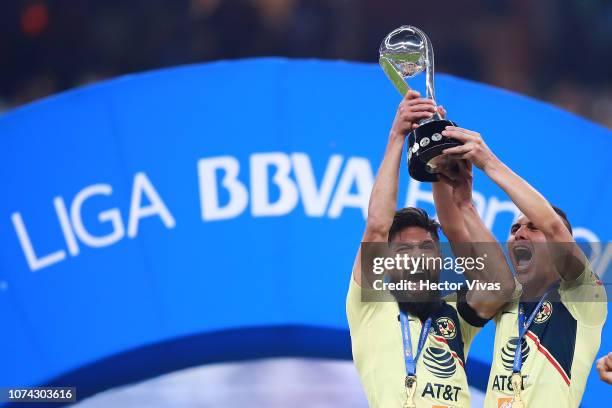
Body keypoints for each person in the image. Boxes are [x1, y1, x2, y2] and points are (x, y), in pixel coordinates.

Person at [345, 90, 515, 407]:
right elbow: (377, 226)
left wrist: (461, 199)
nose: (416, 258)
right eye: (404, 251)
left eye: (425, 247)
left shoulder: (454, 313)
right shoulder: (370, 303)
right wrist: (397, 136)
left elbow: (502, 285)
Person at [436, 125, 608, 407]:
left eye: (532, 227)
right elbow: (457, 234)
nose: (519, 233)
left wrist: (488, 162)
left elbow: (553, 226)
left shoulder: (583, 295)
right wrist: (449, 185)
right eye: (514, 228)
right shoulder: (506, 295)